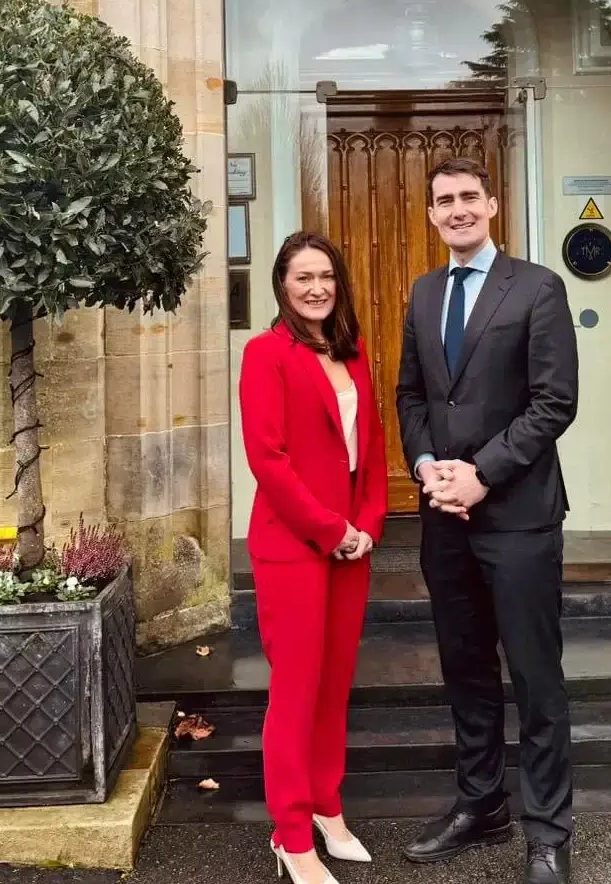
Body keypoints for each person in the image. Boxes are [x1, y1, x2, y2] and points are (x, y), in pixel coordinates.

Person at [395, 157, 579, 884]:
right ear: (432, 214)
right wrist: (427, 466)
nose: (457, 209)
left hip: (520, 519)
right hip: (445, 520)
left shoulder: (537, 287)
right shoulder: (424, 291)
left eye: (469, 196)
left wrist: (483, 473)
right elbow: (410, 396)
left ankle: (548, 832)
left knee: (536, 679)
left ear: (494, 205)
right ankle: (481, 805)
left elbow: (553, 402)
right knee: (465, 668)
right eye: (444, 200)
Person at [238, 231, 388, 884]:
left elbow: (374, 448)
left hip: (351, 546)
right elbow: (267, 459)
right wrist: (331, 529)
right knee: (296, 693)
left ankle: (328, 806)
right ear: (282, 286)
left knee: (333, 687)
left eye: (326, 275)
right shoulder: (265, 353)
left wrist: (370, 523)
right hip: (294, 546)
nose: (317, 287)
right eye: (303, 277)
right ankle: (291, 834)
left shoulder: (350, 355)